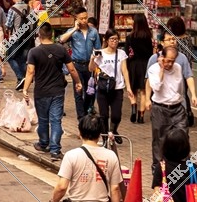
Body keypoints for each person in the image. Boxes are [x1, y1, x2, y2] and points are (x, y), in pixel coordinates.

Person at [23, 24, 82, 160]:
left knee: (43, 120)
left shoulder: (34, 52)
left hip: (41, 91)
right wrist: (78, 82)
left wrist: (25, 89)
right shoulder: (61, 50)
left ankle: (44, 143)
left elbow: (30, 71)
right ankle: (55, 150)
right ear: (52, 35)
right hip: (58, 91)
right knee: (56, 120)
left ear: (39, 35)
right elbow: (72, 69)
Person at [144, 36, 197, 190]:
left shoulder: (178, 68)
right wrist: (161, 69)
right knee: (160, 141)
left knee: (183, 137)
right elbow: (156, 86)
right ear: (161, 57)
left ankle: (183, 172)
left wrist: (191, 96)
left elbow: (183, 84)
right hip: (160, 108)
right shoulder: (154, 68)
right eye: (166, 60)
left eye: (172, 61)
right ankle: (158, 174)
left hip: (177, 107)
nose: (169, 64)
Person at [90, 30, 134, 140]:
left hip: (117, 88)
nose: (114, 41)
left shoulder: (121, 53)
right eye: (112, 39)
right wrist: (92, 59)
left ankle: (113, 130)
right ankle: (105, 138)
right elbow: (91, 69)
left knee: (116, 115)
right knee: (104, 115)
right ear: (106, 40)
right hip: (103, 89)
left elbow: (125, 70)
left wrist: (128, 87)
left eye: (116, 39)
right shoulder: (100, 53)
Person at [58, 11, 101, 118]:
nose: (84, 20)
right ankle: (81, 118)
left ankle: (87, 112)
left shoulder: (93, 32)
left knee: (90, 91)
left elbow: (98, 49)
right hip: (76, 65)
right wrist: (74, 29)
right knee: (78, 91)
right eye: (81, 18)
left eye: (85, 18)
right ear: (76, 19)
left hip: (90, 65)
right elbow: (61, 40)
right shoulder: (74, 32)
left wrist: (97, 67)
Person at [2, 0, 33, 91]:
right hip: (27, 37)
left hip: (15, 37)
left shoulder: (12, 9)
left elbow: (8, 25)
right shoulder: (29, 7)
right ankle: (26, 78)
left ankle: (20, 77)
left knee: (10, 57)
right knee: (22, 59)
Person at [125, 15, 154, 124]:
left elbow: (126, 53)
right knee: (143, 90)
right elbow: (150, 53)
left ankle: (133, 107)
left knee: (133, 89)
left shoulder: (130, 37)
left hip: (133, 65)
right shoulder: (147, 37)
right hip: (145, 65)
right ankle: (141, 116)